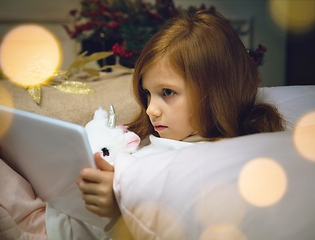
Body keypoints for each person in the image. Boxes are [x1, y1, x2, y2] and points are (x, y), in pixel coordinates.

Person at [77, 8, 284, 235]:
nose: (150, 110)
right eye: (147, 93)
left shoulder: (221, 162)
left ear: (216, 91)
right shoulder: (149, 137)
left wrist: (122, 202)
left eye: (167, 92)